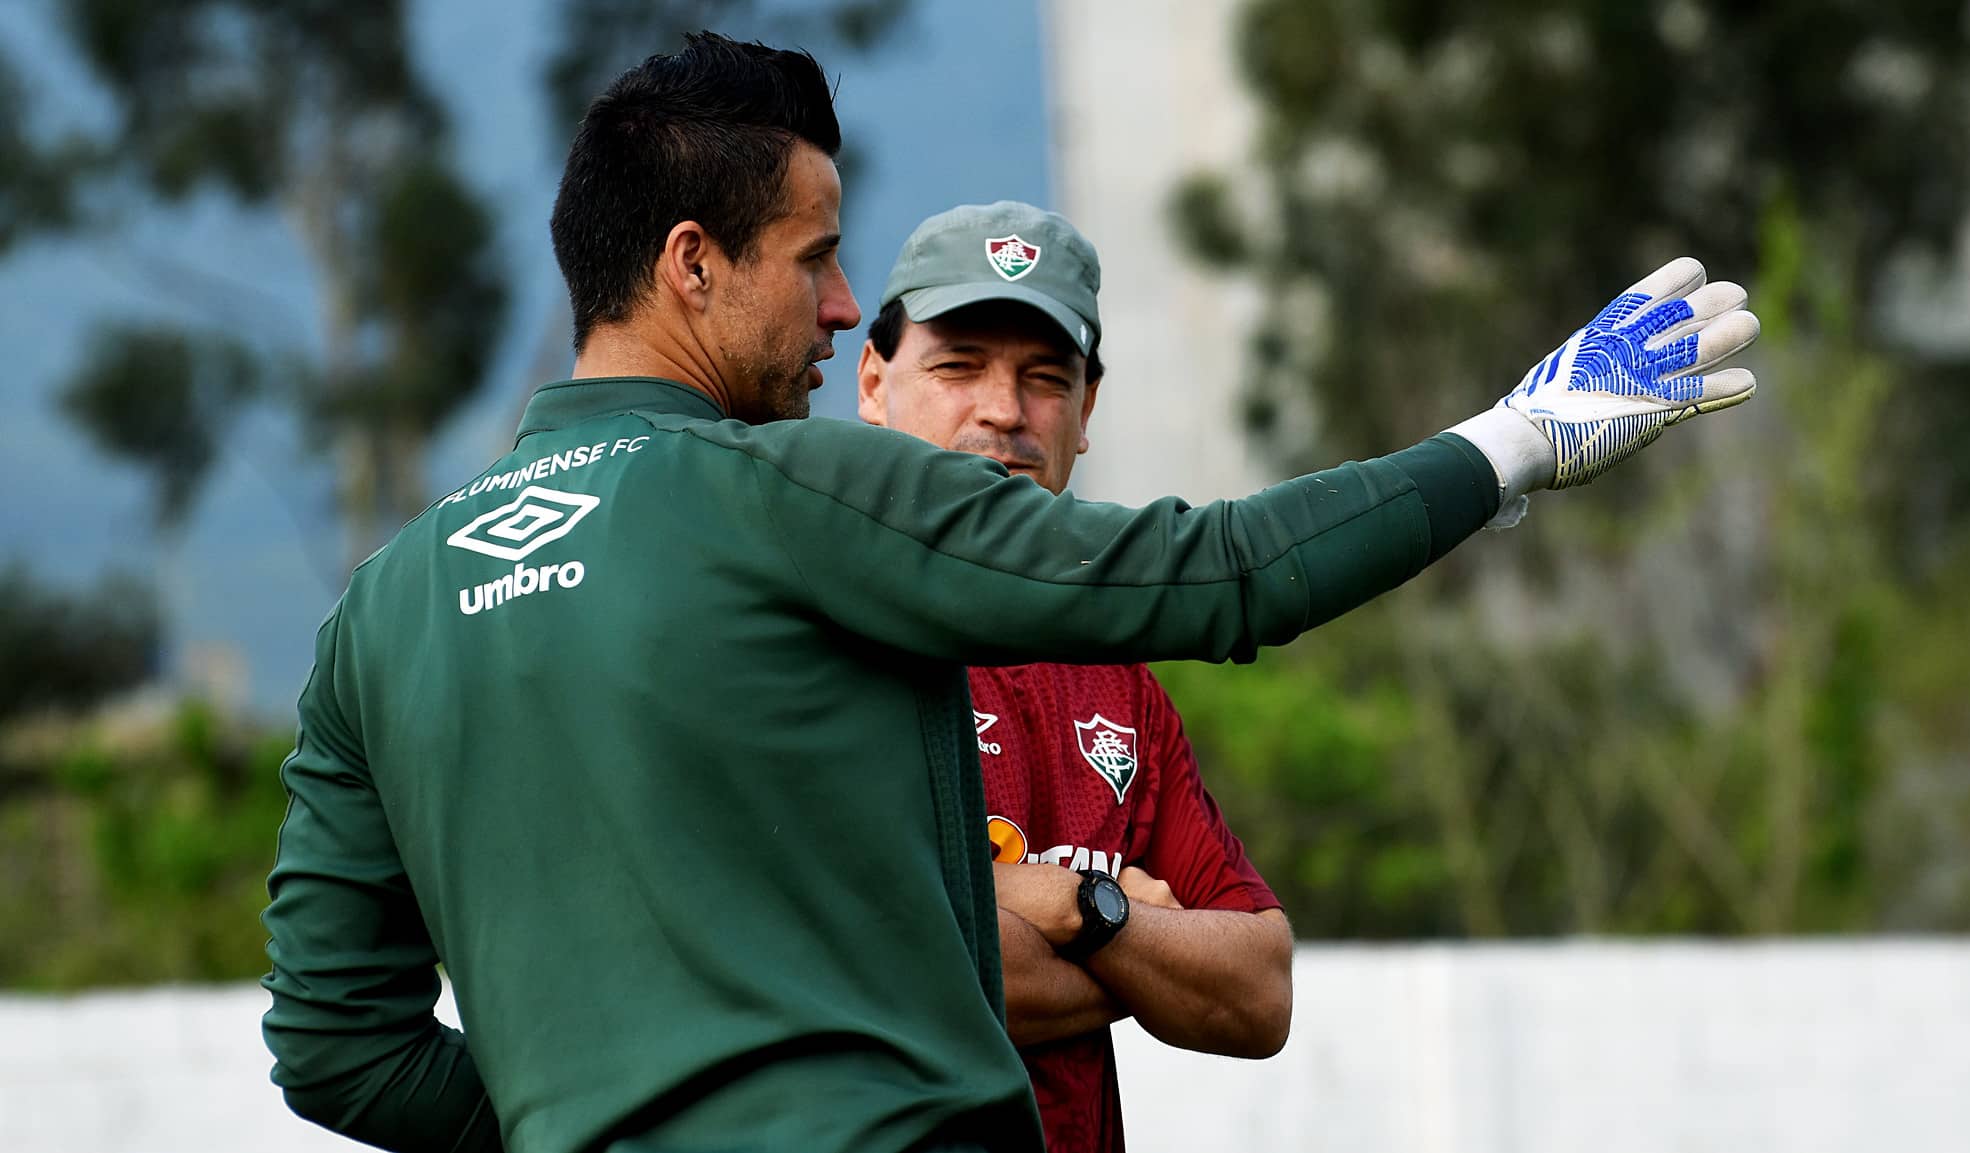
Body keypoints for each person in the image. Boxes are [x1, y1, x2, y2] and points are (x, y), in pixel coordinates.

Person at [259, 32, 1760, 1153]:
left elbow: (334, 1045)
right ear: (691, 265)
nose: (841, 303)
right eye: (818, 260)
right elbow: (1217, 572)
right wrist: (1509, 443)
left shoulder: (378, 615)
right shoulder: (787, 488)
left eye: (1044, 373)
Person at [856, 201, 1291, 1153]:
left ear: (1087, 412)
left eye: (1045, 378)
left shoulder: (1117, 679)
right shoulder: (815, 635)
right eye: (958, 365)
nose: (1004, 412)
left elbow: (1258, 991)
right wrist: (1135, 931)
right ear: (873, 380)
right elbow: (880, 963)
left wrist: (1083, 910)